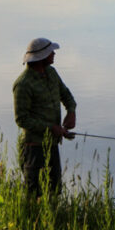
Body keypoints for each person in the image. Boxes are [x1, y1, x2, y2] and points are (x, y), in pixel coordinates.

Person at [13, 37, 77, 202]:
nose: (54, 54)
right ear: (41, 57)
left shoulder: (51, 73)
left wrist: (71, 111)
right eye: (50, 52)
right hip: (33, 148)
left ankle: (51, 221)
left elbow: (66, 95)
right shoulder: (23, 84)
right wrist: (51, 128)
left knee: (54, 192)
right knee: (34, 194)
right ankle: (31, 224)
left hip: (51, 145)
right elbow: (22, 119)